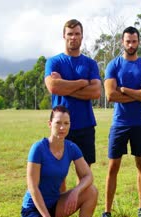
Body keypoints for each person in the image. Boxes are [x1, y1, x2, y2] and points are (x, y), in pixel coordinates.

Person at [20, 106, 103, 217]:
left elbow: (88, 176)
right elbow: (33, 187)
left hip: (55, 204)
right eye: (58, 123)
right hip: (34, 209)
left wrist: (76, 192)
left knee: (91, 191)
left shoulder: (72, 148)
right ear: (50, 124)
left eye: (66, 123)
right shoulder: (38, 149)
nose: (62, 127)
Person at [99, 26, 141, 217]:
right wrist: (136, 94)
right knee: (113, 167)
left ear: (139, 42)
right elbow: (110, 95)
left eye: (134, 41)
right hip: (119, 124)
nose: (131, 45)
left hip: (140, 123)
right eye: (127, 41)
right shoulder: (113, 65)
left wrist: (125, 90)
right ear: (122, 42)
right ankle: (107, 211)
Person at [44, 19, 101, 167]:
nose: (73, 37)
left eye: (77, 34)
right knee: (58, 172)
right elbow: (53, 87)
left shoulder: (90, 63)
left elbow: (96, 91)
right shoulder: (54, 62)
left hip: (85, 125)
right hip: (60, 125)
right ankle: (61, 193)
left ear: (82, 36)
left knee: (84, 171)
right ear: (64, 36)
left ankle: (79, 192)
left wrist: (64, 85)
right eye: (70, 34)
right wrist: (82, 83)